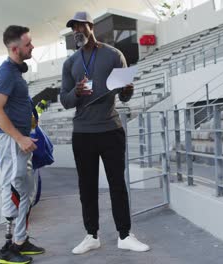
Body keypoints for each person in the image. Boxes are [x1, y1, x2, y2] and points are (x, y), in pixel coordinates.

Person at [60, 11, 150, 254]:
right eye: (73, 28)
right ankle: (92, 235)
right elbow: (64, 101)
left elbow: (124, 95)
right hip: (83, 133)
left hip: (110, 129)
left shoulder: (113, 55)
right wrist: (77, 92)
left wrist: (128, 89)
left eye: (80, 26)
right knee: (86, 187)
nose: (77, 31)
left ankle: (124, 235)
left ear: (91, 26)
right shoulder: (70, 63)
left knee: (117, 185)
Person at [0, 25, 45, 264]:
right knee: (13, 190)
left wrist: (29, 121)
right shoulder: (5, 73)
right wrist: (19, 137)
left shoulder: (16, 73)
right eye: (28, 44)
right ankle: (6, 248)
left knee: (25, 191)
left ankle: (20, 241)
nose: (32, 47)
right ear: (15, 49)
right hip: (12, 141)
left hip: (20, 139)